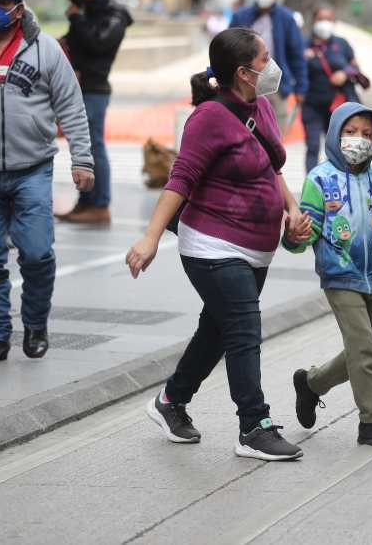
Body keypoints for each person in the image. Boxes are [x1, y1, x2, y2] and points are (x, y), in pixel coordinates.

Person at [126, 27, 309, 461]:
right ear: (243, 72)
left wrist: (291, 209)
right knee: (244, 330)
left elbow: (271, 168)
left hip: (256, 247)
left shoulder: (262, 106)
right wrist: (150, 237)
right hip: (212, 245)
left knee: (217, 331)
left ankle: (171, 401)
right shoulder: (208, 118)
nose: (272, 65)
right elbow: (180, 179)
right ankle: (254, 426)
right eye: (264, 59)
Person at [287, 103, 372, 447]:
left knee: (361, 351)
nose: (358, 140)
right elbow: (306, 232)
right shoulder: (319, 180)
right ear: (335, 134)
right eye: (350, 132)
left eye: (366, 134)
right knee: (366, 351)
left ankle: (311, 384)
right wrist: (294, 237)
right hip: (339, 276)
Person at [0, 0, 94, 361]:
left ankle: (36, 322)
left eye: (2, 4)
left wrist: (82, 160)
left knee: (37, 253)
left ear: (18, 9)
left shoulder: (46, 50)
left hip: (32, 170)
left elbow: (71, 105)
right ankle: (0, 332)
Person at [57, 0, 133, 225]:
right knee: (81, 147)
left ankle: (99, 205)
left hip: (95, 89)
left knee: (93, 147)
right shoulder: (85, 15)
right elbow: (74, 44)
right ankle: (86, 203)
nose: (79, 3)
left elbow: (97, 44)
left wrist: (76, 18)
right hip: (78, 87)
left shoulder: (114, 16)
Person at [229, 0, 308, 132]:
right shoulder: (241, 17)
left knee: (275, 137)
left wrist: (301, 88)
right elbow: (227, 49)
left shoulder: (286, 19)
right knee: (242, 134)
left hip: (277, 87)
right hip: (244, 86)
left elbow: (297, 56)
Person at [302, 6, 361, 173]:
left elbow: (355, 67)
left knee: (337, 147)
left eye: (328, 19)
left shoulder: (341, 44)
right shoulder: (304, 45)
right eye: (320, 19)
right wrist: (304, 58)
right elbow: (295, 70)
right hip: (312, 104)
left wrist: (344, 73)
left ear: (334, 22)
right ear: (314, 21)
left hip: (337, 106)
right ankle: (312, 182)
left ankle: (338, 181)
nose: (324, 23)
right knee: (313, 145)